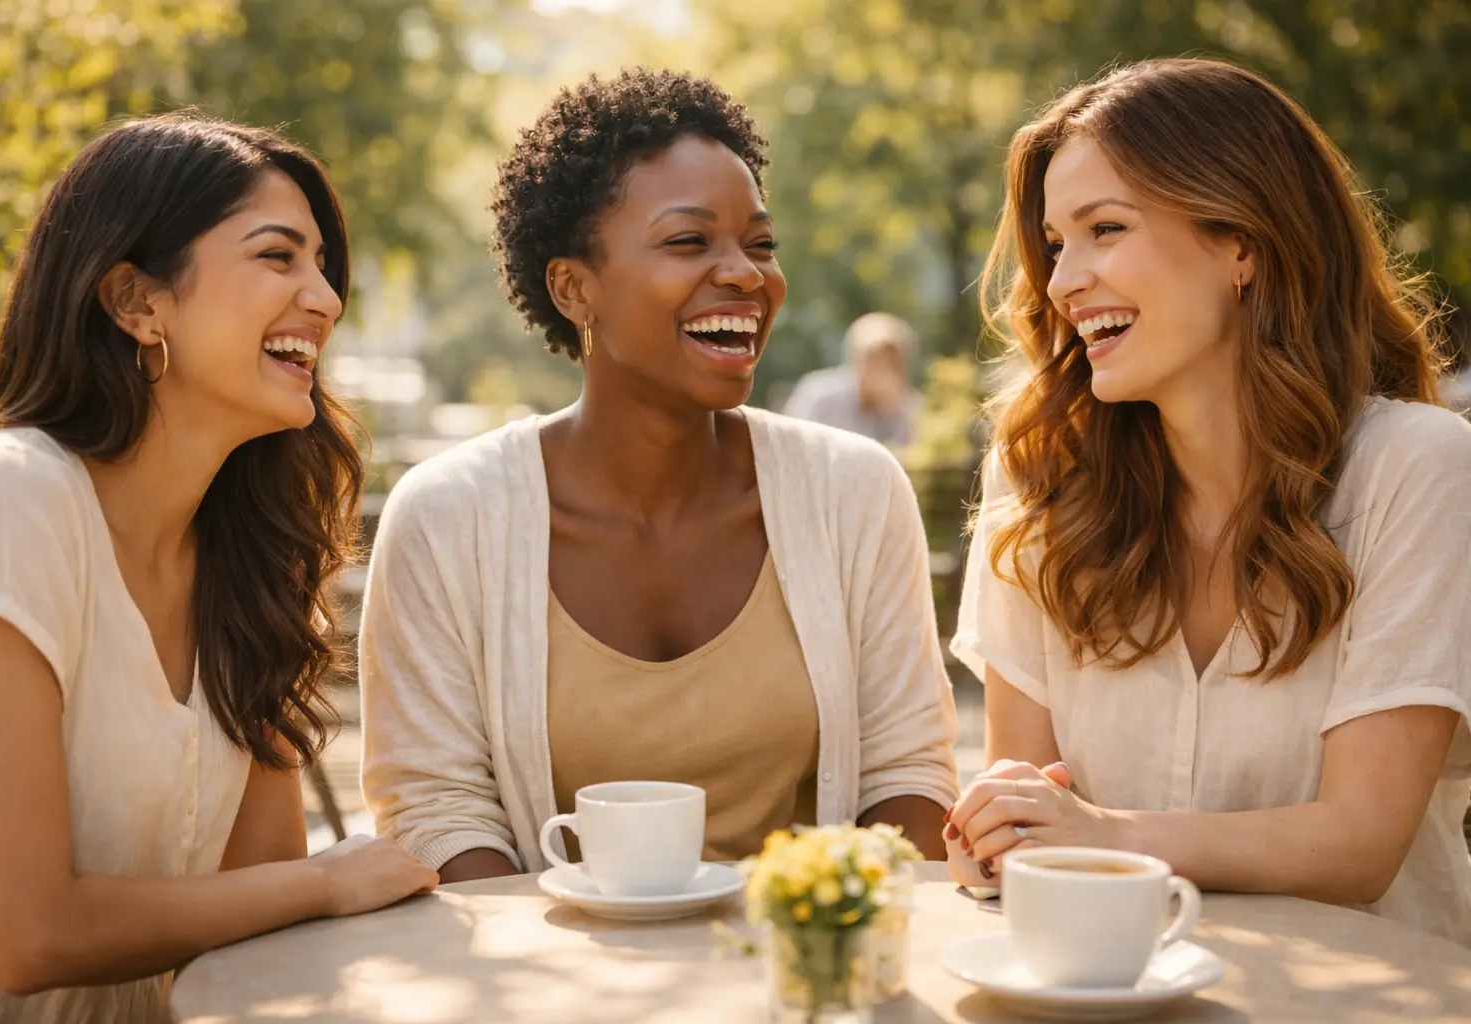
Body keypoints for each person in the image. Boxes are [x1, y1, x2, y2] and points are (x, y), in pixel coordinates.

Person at [361, 69, 959, 884]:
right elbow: (435, 808)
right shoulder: (446, 517)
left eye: (760, 243)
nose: (746, 274)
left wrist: (830, 947)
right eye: (689, 242)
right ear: (575, 288)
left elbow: (906, 775)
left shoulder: (853, 492)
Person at [943, 56, 1471, 944]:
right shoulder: (1040, 478)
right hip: (1108, 995)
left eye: (1104, 228)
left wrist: (1101, 837)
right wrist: (996, 835)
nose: (1063, 281)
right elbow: (1030, 802)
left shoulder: (1417, 468)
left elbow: (1358, 843)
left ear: (1242, 243)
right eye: (1056, 245)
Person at [0, 114, 438, 1021]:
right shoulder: (7, 500)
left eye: (321, 265)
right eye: (278, 257)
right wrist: (330, 881)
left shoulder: (247, 559)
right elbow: (27, 933)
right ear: (136, 301)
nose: (324, 298)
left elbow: (260, 911)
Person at [781, 311, 921, 446]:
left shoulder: (909, 406)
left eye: (892, 361)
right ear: (856, 359)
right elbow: (792, 444)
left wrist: (892, 410)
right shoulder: (820, 395)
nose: (884, 370)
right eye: (875, 358)